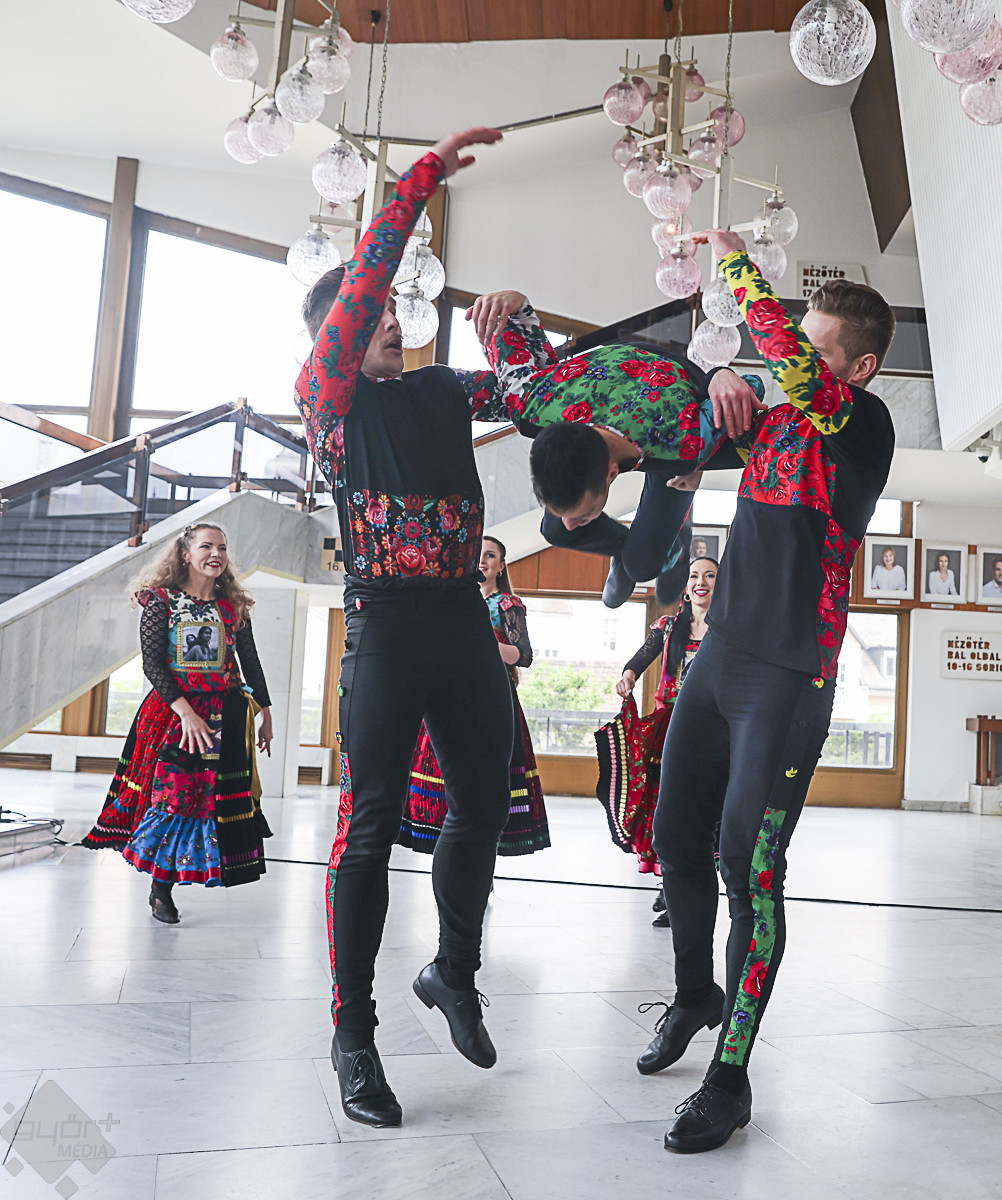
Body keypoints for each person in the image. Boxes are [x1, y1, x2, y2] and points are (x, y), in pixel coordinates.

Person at [295, 127, 539, 1130]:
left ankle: (452, 972)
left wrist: (515, 324)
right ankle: (353, 1035)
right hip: (386, 628)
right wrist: (421, 181)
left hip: (460, 623)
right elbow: (364, 284)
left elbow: (538, 400)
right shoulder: (330, 406)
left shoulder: (441, 390)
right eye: (377, 314)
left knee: (481, 804)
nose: (394, 320)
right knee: (367, 833)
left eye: (398, 313)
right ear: (336, 336)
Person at [641, 227, 896, 1155]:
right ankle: (693, 993)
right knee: (674, 838)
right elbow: (678, 417)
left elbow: (784, 360)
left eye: (818, 352)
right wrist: (715, 376)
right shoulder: (779, 419)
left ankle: (731, 1076)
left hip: (791, 678)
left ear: (857, 368)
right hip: (718, 660)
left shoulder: (862, 424)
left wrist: (739, 269)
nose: (796, 365)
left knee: (748, 870)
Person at [460, 297, 767, 610]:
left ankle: (675, 546)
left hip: (670, 403)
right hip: (612, 386)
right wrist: (514, 301)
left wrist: (718, 375)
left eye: (582, 515)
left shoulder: (684, 443)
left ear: (612, 473)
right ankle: (626, 550)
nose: (572, 522)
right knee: (555, 530)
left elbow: (749, 388)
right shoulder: (533, 405)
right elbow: (512, 324)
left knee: (642, 566)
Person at [82, 523, 273, 923]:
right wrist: (185, 712)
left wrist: (266, 713)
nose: (216, 554)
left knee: (209, 800)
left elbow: (250, 661)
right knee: (174, 797)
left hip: (226, 714)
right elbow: (152, 664)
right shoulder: (161, 600)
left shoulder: (233, 606)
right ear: (186, 554)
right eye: (206, 546)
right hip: (173, 715)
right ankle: (160, 889)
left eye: (222, 547)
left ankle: (182, 876)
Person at [397, 536, 550, 857]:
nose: (482, 560)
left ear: (501, 566)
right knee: (447, 778)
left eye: (490, 555)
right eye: (478, 554)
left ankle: (476, 858)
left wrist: (483, 643)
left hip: (491, 699)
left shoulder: (506, 604)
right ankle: (450, 853)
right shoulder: (450, 601)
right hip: (446, 695)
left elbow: (523, 655)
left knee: (484, 782)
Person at [595, 558, 718, 925]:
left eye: (710, 575)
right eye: (694, 576)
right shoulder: (668, 627)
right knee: (666, 807)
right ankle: (670, 884)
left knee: (706, 808)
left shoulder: (728, 628)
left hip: (714, 727)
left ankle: (691, 886)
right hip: (671, 728)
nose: (701, 581)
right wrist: (627, 677)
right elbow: (639, 660)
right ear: (686, 586)